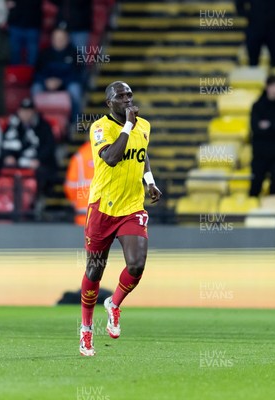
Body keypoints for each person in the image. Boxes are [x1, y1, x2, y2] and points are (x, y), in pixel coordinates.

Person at [78, 81, 162, 356]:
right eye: (121, 96)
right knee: (94, 271)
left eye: (129, 95)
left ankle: (114, 304)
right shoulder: (100, 128)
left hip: (131, 207)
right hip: (103, 209)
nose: (127, 99)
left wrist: (149, 180)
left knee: (136, 265)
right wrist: (128, 125)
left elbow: (142, 153)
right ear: (109, 103)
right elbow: (113, 157)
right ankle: (86, 330)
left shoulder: (143, 126)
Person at [1, 98, 58, 199]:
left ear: (33, 112)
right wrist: (9, 156)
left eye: (28, 111)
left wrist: (38, 159)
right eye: (23, 111)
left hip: (39, 162)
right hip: (19, 161)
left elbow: (49, 147)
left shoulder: (43, 126)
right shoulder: (13, 125)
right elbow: (6, 143)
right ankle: (8, 200)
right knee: (4, 167)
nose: (25, 114)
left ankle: (37, 201)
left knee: (43, 172)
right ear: (19, 111)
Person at [32, 26, 83, 121]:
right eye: (56, 38)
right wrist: (45, 81)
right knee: (36, 88)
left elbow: (77, 74)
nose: (58, 41)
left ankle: (74, 123)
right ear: (52, 39)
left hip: (67, 84)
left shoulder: (75, 54)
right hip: (47, 84)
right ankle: (37, 121)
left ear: (67, 39)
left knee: (75, 89)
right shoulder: (44, 54)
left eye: (61, 38)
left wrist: (61, 81)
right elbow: (37, 73)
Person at [249, 74, 275, 196]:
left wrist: (268, 125)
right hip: (260, 154)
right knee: (255, 184)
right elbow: (255, 128)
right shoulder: (257, 105)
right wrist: (273, 126)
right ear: (268, 87)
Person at [236, 0, 275, 66]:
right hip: (255, 29)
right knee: (253, 62)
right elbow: (239, 6)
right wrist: (251, 15)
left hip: (274, 29)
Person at [64, 141, 94, 225]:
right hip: (106, 214)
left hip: (83, 214)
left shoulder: (79, 156)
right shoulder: (112, 154)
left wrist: (75, 201)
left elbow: (70, 186)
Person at [7, 0, 42, 65]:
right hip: (15, 23)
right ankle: (16, 74)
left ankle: (31, 74)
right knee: (14, 54)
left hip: (33, 24)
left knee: (33, 57)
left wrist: (17, 3)